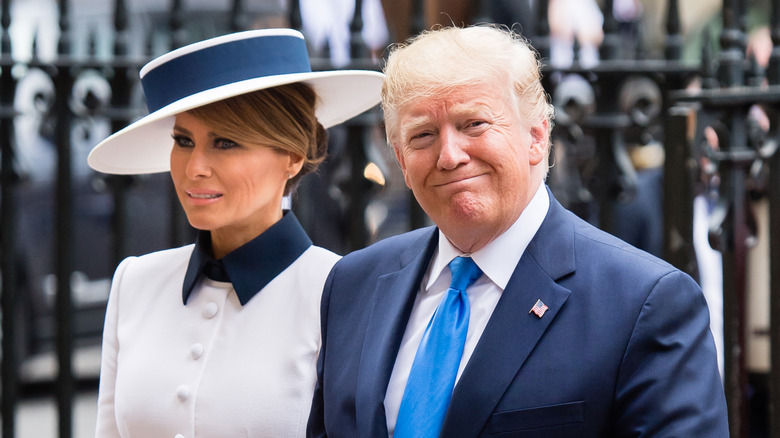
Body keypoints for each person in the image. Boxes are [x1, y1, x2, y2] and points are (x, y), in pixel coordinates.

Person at [307, 25, 729, 437]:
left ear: (537, 136)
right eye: (423, 135)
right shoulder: (352, 285)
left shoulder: (644, 303)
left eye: (473, 124)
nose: (449, 156)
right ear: (400, 160)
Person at [87, 29, 383, 437]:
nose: (194, 168)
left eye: (225, 142)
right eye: (183, 141)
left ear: (293, 156)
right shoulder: (135, 282)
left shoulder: (341, 293)